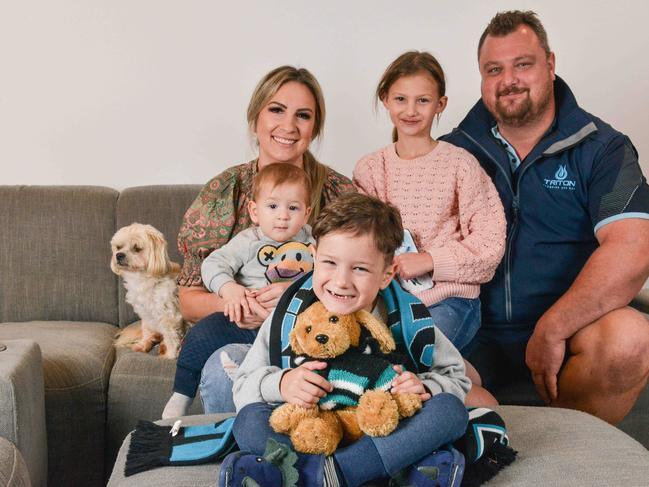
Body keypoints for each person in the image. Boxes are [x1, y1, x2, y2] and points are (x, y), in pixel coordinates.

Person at [442, 10, 649, 424]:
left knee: (631, 337)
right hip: (470, 332)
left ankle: (572, 454)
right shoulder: (450, 151)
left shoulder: (603, 148)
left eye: (523, 64)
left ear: (550, 65)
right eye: (494, 69)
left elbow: (634, 246)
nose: (509, 80)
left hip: (570, 332)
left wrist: (553, 327)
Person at [226, 193, 470, 487]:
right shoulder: (289, 313)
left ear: (386, 274)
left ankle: (327, 475)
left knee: (449, 413)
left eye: (360, 268)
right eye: (329, 263)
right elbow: (242, 388)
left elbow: (457, 379)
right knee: (249, 420)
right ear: (314, 256)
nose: (341, 281)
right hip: (310, 429)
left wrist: (424, 387)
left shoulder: (409, 318)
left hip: (378, 433)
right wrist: (282, 383)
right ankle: (349, 474)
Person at [167, 65, 354, 417]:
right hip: (241, 330)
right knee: (221, 375)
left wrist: (301, 296)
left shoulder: (339, 194)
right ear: (255, 120)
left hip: (314, 333)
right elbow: (189, 299)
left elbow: (364, 277)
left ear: (314, 128)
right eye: (276, 109)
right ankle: (240, 460)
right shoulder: (226, 191)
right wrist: (241, 305)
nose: (289, 125)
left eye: (303, 115)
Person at [353, 51, 506, 405]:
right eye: (401, 99)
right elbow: (360, 240)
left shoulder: (460, 165)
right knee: (365, 362)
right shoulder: (370, 169)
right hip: (388, 300)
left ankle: (479, 402)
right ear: (385, 101)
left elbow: (489, 245)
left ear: (441, 104)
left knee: (407, 363)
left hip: (449, 299)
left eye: (423, 100)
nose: (411, 110)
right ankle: (461, 372)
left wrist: (429, 260)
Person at [162, 163, 316, 418]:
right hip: (246, 321)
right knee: (202, 334)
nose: (283, 216)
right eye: (273, 206)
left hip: (293, 327)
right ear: (254, 211)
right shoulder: (248, 241)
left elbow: (328, 275)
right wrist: (230, 289)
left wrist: (296, 289)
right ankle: (181, 395)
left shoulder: (313, 243)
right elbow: (213, 264)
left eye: (293, 208)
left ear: (307, 213)